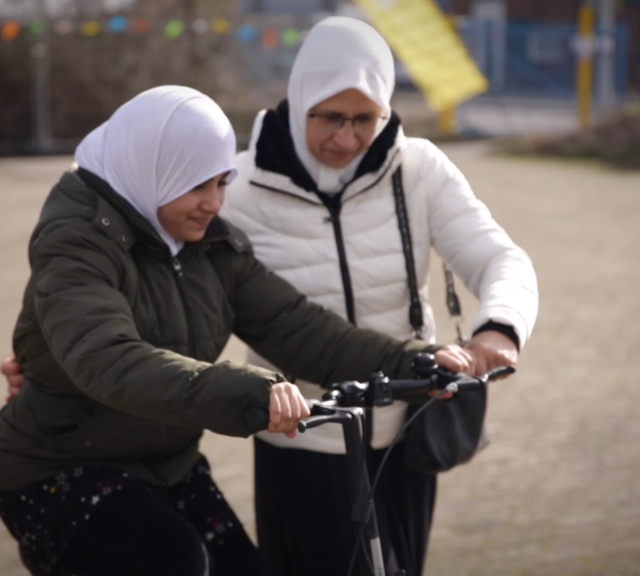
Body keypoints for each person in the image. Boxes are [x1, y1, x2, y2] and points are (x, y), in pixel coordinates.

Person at [0, 85, 472, 576]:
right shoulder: (76, 241)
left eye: (222, 183)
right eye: (198, 186)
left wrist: (416, 360)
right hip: (56, 468)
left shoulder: (212, 247)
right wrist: (251, 390)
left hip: (166, 464)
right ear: (153, 173)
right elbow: (106, 358)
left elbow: (300, 328)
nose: (215, 203)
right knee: (176, 559)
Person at [221, 17, 539, 576]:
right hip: (302, 443)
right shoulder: (238, 189)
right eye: (330, 118)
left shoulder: (418, 168)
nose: (346, 138)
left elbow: (500, 259)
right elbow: (173, 291)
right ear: (299, 101)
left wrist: (502, 325)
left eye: (365, 119)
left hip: (406, 437)